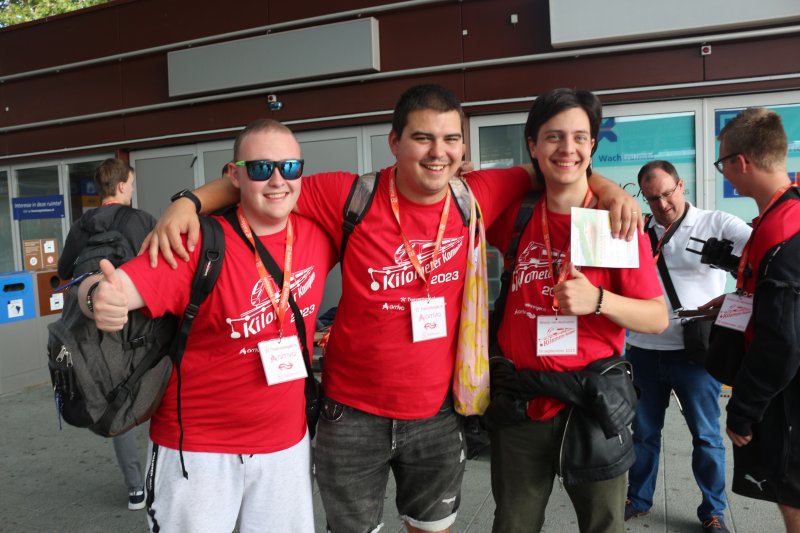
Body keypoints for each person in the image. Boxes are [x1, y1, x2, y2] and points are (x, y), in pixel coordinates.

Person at [147, 84, 642, 533]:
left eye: (451, 140)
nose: (438, 152)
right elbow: (266, 181)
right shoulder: (350, 194)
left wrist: (612, 189)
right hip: (349, 415)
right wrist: (189, 201)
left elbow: (566, 166)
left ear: (463, 148)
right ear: (394, 142)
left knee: (431, 527)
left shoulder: (480, 194)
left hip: (436, 414)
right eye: (423, 138)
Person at [77, 119, 336, 532]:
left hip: (286, 447)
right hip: (197, 450)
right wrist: (95, 296)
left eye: (289, 168)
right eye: (259, 168)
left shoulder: (321, 234)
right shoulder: (199, 241)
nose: (276, 180)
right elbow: (112, 286)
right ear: (234, 176)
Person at [485, 88, 668, 533]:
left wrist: (600, 302)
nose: (567, 149)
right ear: (532, 144)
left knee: (603, 526)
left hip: (591, 406)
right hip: (522, 405)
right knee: (512, 525)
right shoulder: (517, 214)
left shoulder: (613, 222)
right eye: (553, 137)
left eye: (579, 138)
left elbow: (657, 317)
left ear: (592, 147)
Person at [624, 160, 751, 533]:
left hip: (696, 353)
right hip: (643, 349)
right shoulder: (635, 231)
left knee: (707, 436)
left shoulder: (718, 223)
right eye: (652, 198)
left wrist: (736, 294)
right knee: (643, 433)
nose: (661, 204)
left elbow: (767, 256)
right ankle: (639, 497)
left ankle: (713, 511)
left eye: (667, 193)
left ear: (681, 186)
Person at [714, 107, 800, 532]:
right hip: (784, 389)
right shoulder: (784, 213)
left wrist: (743, 409)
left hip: (786, 396)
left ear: (740, 162)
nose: (724, 173)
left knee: (792, 490)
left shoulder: (784, 232)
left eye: (722, 162)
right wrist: (733, 269)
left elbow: (782, 342)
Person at [58, 158, 155, 511]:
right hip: (139, 322)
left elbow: (64, 270)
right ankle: (162, 471)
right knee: (158, 383)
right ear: (123, 185)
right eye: (131, 182)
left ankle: (135, 488)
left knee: (119, 400)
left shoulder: (81, 226)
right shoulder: (140, 220)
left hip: (96, 325)